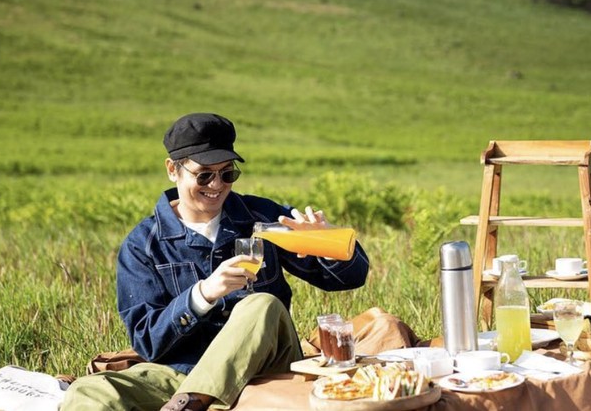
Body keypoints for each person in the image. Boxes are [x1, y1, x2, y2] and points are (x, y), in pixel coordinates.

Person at [63, 113, 370, 410]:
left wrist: (328, 244)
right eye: (204, 174)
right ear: (173, 169)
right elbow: (147, 342)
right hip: (181, 374)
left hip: (266, 367)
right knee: (90, 391)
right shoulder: (144, 245)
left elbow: (350, 278)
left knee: (261, 304)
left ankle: (194, 404)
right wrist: (202, 295)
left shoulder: (261, 217)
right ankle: (202, 401)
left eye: (227, 173)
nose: (217, 185)